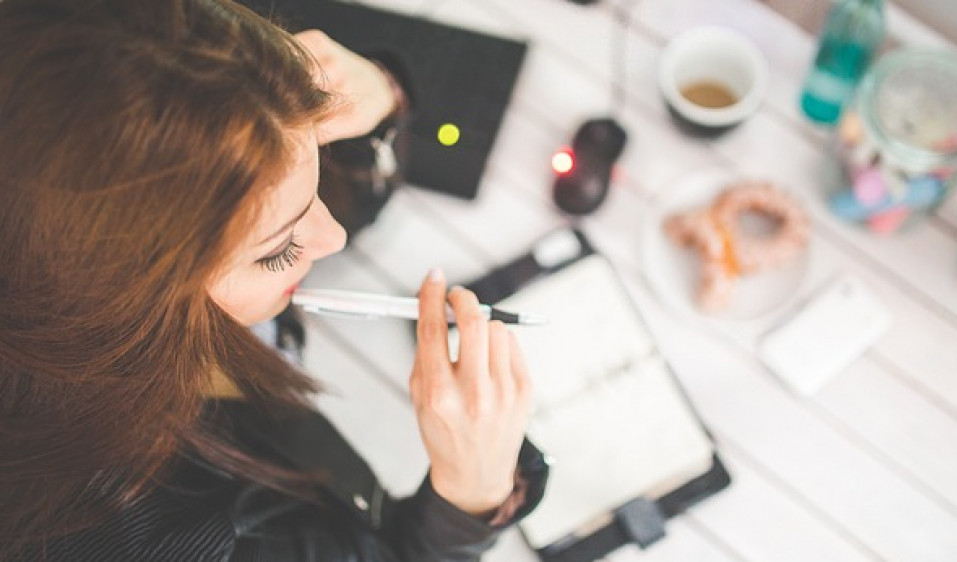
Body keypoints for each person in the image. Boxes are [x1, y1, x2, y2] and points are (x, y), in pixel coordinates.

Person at [0, 0, 547, 560]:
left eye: (317, 157)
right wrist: (469, 498)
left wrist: (380, 94)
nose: (333, 237)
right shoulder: (156, 540)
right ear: (124, 301)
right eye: (278, 249)